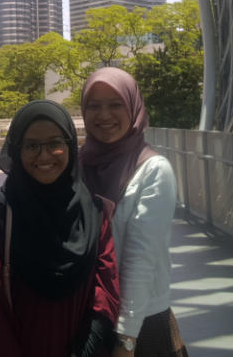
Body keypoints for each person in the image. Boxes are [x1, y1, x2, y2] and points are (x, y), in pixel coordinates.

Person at [0, 100, 119, 357]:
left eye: (54, 143)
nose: (44, 156)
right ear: (17, 150)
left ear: (70, 145)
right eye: (31, 146)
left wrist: (85, 350)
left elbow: (106, 291)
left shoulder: (97, 213)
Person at [80, 68, 187, 357]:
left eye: (116, 104)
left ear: (133, 107)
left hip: (140, 322)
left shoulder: (153, 170)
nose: (104, 115)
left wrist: (126, 339)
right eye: (94, 106)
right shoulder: (79, 166)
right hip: (86, 315)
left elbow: (141, 259)